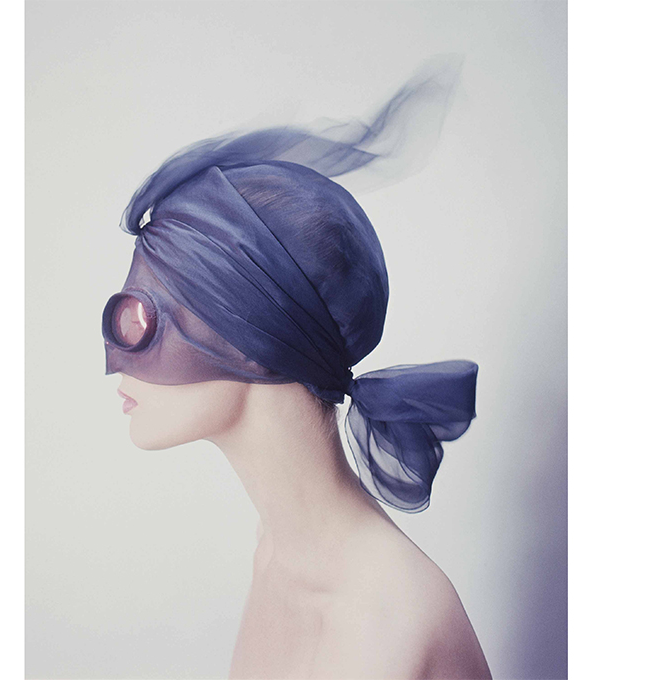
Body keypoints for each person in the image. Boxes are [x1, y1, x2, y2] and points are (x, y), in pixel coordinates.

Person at [103, 57, 491, 679]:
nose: (120, 347)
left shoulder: (395, 621)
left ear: (256, 345)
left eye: (157, 312)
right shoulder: (274, 554)